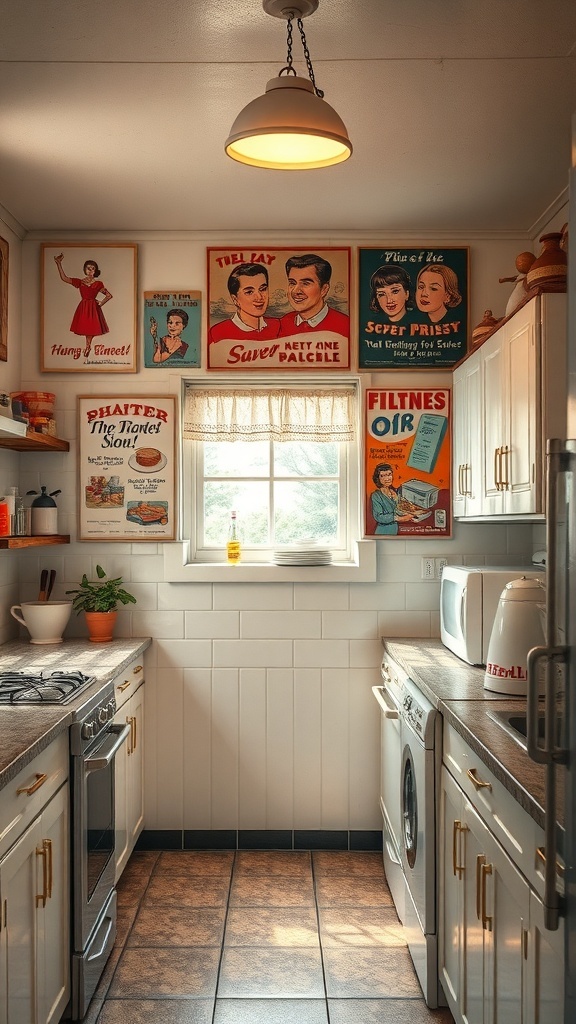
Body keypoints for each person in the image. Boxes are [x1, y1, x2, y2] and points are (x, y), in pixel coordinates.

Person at [54, 253, 112, 358]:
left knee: (91, 328)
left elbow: (109, 295)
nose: (90, 270)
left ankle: (88, 346)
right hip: (84, 307)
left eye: (92, 268)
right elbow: (64, 278)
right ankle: (88, 346)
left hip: (93, 308)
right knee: (86, 327)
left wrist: (101, 303)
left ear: (95, 271)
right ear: (85, 270)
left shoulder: (98, 284)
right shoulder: (80, 282)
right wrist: (58, 263)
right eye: (88, 268)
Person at [279, 253, 349, 338]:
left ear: (324, 289)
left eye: (305, 283)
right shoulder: (282, 324)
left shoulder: (346, 326)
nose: (296, 291)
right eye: (292, 283)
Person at [208, 263, 280, 344]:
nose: (259, 297)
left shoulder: (278, 326)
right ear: (235, 299)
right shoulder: (218, 333)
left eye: (263, 289)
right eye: (249, 292)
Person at [370, 463, 418, 535]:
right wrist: (400, 518)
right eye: (383, 476)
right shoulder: (376, 496)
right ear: (378, 478)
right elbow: (379, 517)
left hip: (396, 530)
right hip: (383, 531)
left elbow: (400, 508)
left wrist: (409, 515)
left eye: (389, 474)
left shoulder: (395, 491)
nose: (387, 478)